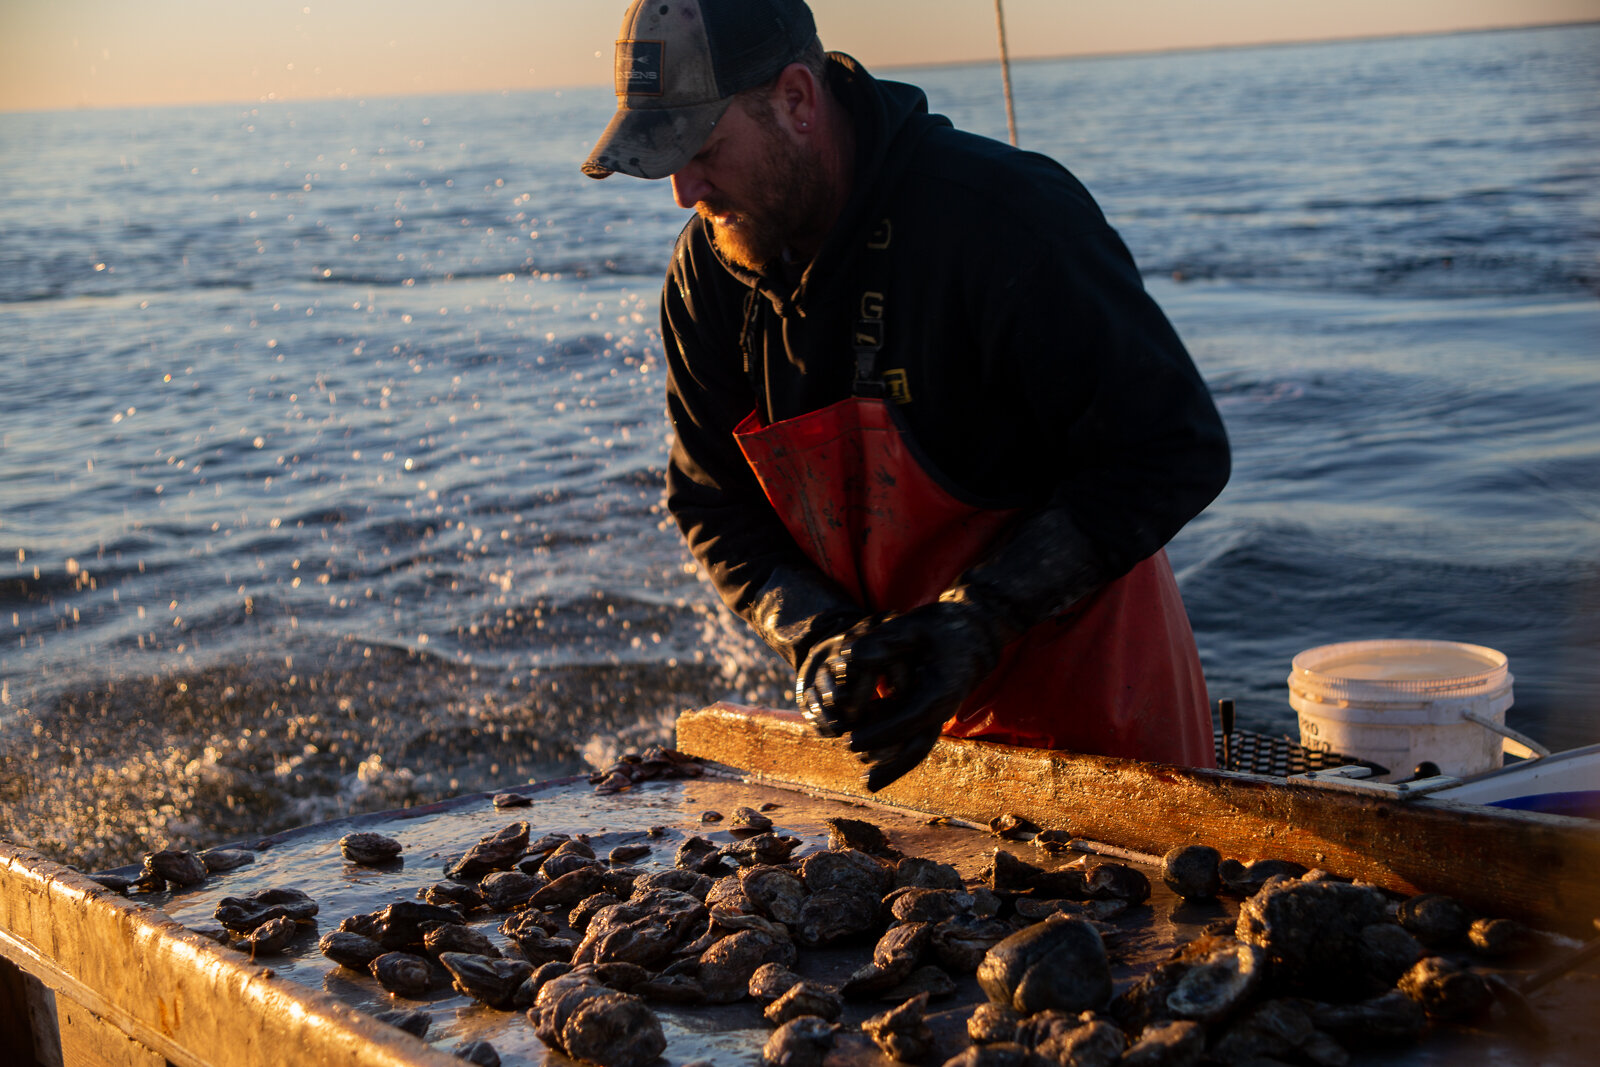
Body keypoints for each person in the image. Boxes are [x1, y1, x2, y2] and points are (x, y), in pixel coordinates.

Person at [583, 0, 1230, 791]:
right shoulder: (708, 279)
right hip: (898, 745)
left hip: (1102, 730)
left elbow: (1175, 449)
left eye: (705, 148)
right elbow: (712, 504)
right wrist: (820, 634)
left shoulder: (1005, 220)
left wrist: (981, 617)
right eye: (667, 160)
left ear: (796, 100)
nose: (685, 191)